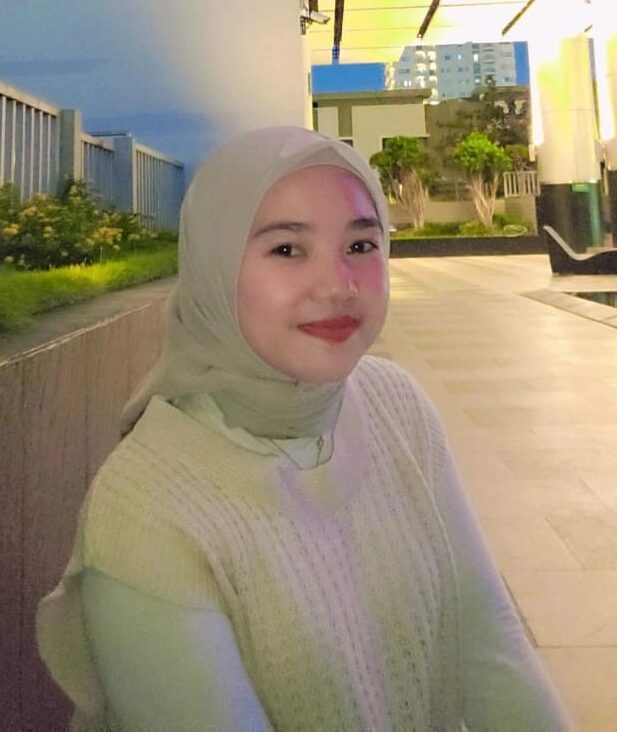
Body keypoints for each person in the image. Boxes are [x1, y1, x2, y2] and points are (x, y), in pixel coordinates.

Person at [36, 126, 572, 732]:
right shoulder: (145, 509)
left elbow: (491, 645)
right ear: (213, 267)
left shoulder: (396, 404)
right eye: (288, 250)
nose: (338, 285)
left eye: (361, 245)